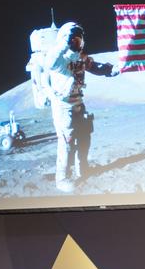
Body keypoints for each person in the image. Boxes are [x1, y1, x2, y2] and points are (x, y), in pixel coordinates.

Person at [43, 22, 119, 193]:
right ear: (66, 40)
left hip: (78, 103)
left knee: (85, 137)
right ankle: (62, 178)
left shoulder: (80, 58)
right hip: (63, 107)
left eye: (80, 40)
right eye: (74, 40)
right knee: (67, 143)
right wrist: (64, 43)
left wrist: (111, 70)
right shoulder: (59, 60)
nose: (78, 44)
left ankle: (82, 169)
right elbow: (50, 63)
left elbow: (95, 67)